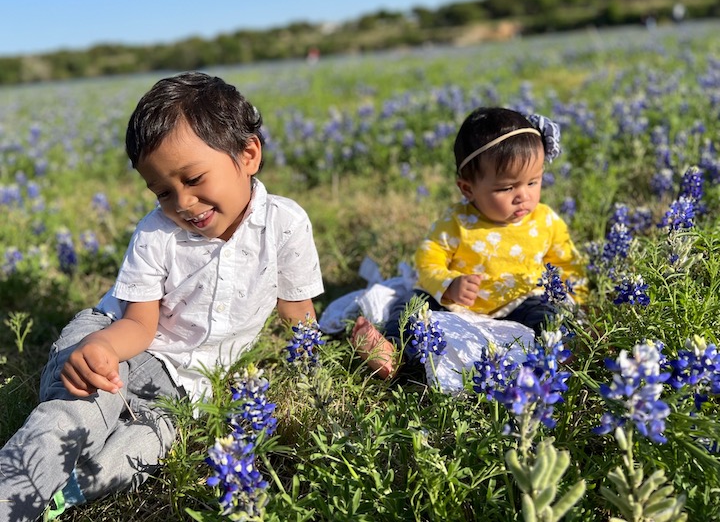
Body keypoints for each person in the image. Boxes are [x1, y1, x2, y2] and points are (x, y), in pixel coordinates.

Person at [0, 71, 324, 521]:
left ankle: (62, 493)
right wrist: (99, 350)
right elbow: (138, 324)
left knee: (140, 451)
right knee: (79, 415)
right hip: (119, 344)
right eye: (164, 192)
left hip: (185, 390)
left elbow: (297, 313)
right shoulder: (157, 232)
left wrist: (314, 368)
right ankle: (10, 496)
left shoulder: (285, 224)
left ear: (248, 154)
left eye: (194, 178)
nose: (183, 202)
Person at [351, 107, 586, 379]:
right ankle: (395, 353)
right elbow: (428, 259)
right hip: (457, 308)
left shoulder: (546, 220)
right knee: (412, 305)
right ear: (468, 188)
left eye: (533, 182)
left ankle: (563, 351)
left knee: (548, 316)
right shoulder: (457, 222)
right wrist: (449, 284)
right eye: (506, 188)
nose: (523, 195)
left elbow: (567, 262)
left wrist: (577, 300)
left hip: (521, 301)